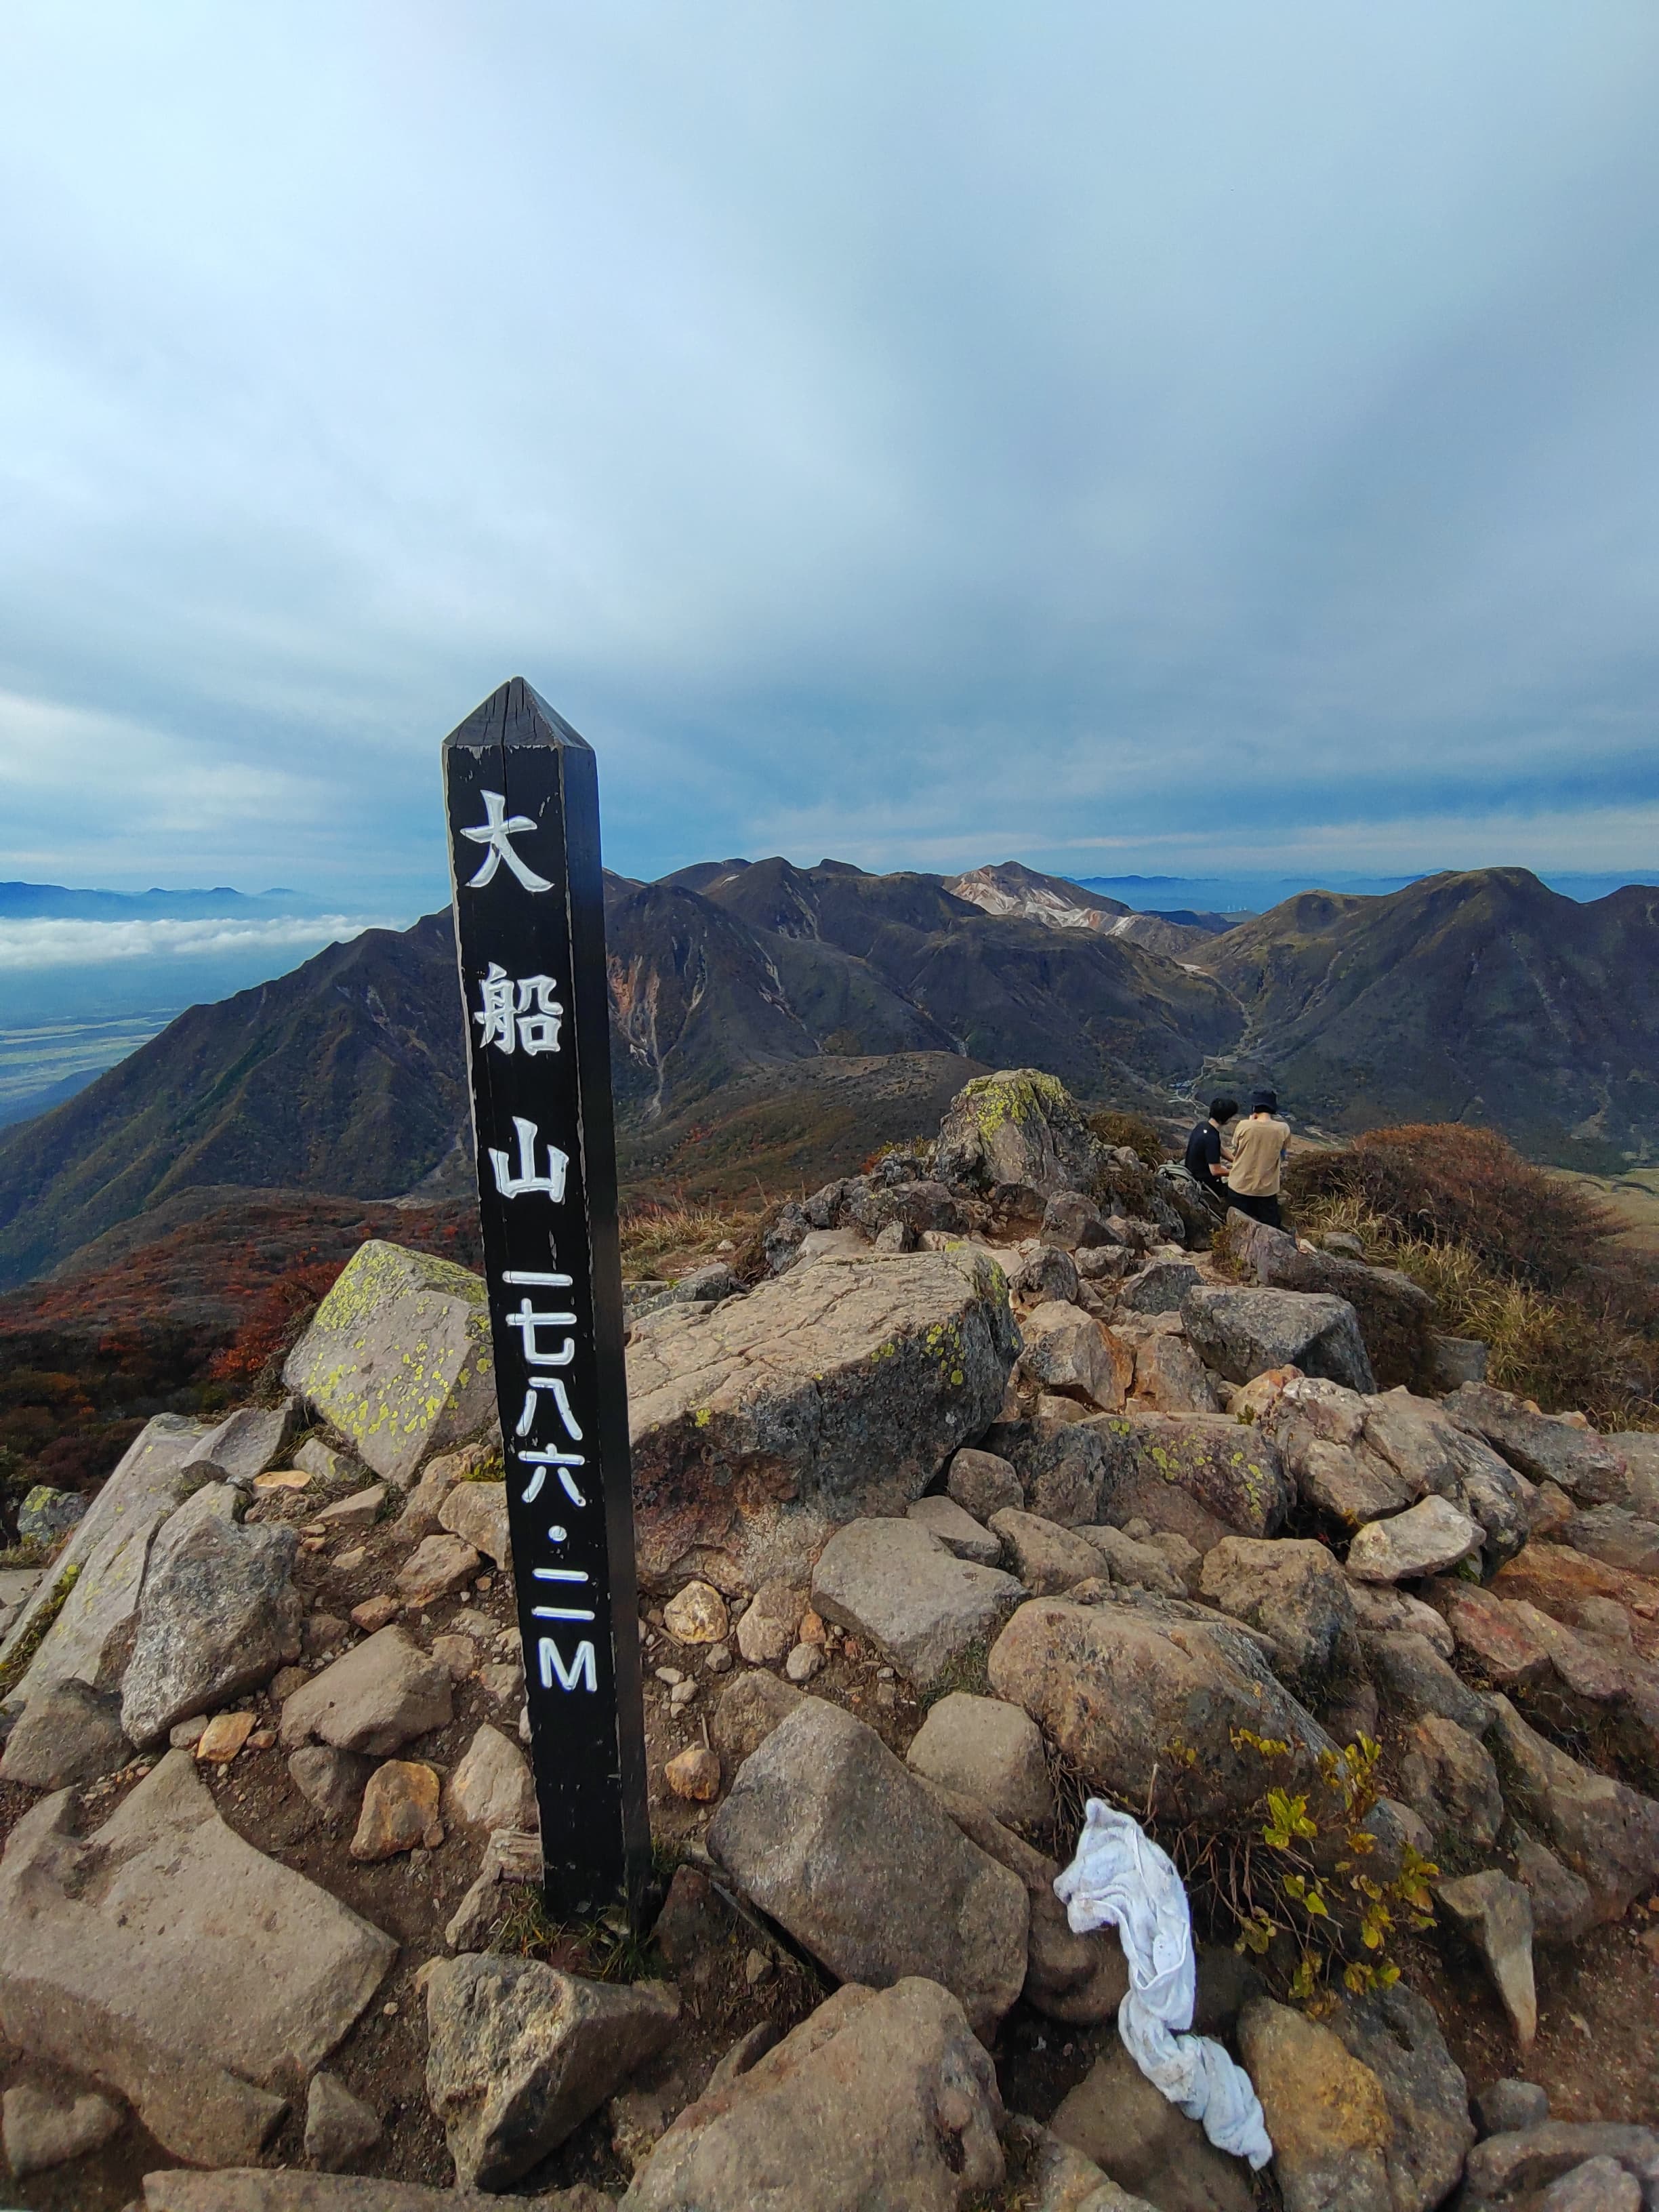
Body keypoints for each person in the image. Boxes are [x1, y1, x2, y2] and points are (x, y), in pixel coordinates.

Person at [1225, 1088, 1290, 1227]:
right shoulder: (1283, 1129)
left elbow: (1236, 1151)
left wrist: (1250, 1122)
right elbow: (1282, 1156)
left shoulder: (1243, 1125)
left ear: (1254, 1107)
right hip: (1266, 1191)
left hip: (1239, 1187)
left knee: (1237, 1228)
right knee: (1272, 1228)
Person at [1183, 1096, 1238, 1200]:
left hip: (1193, 1172)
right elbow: (1215, 1171)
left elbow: (1220, 1149)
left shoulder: (1203, 1126)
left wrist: (1236, 1161)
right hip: (1206, 1184)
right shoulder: (1211, 1137)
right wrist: (1238, 1172)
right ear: (1225, 1118)